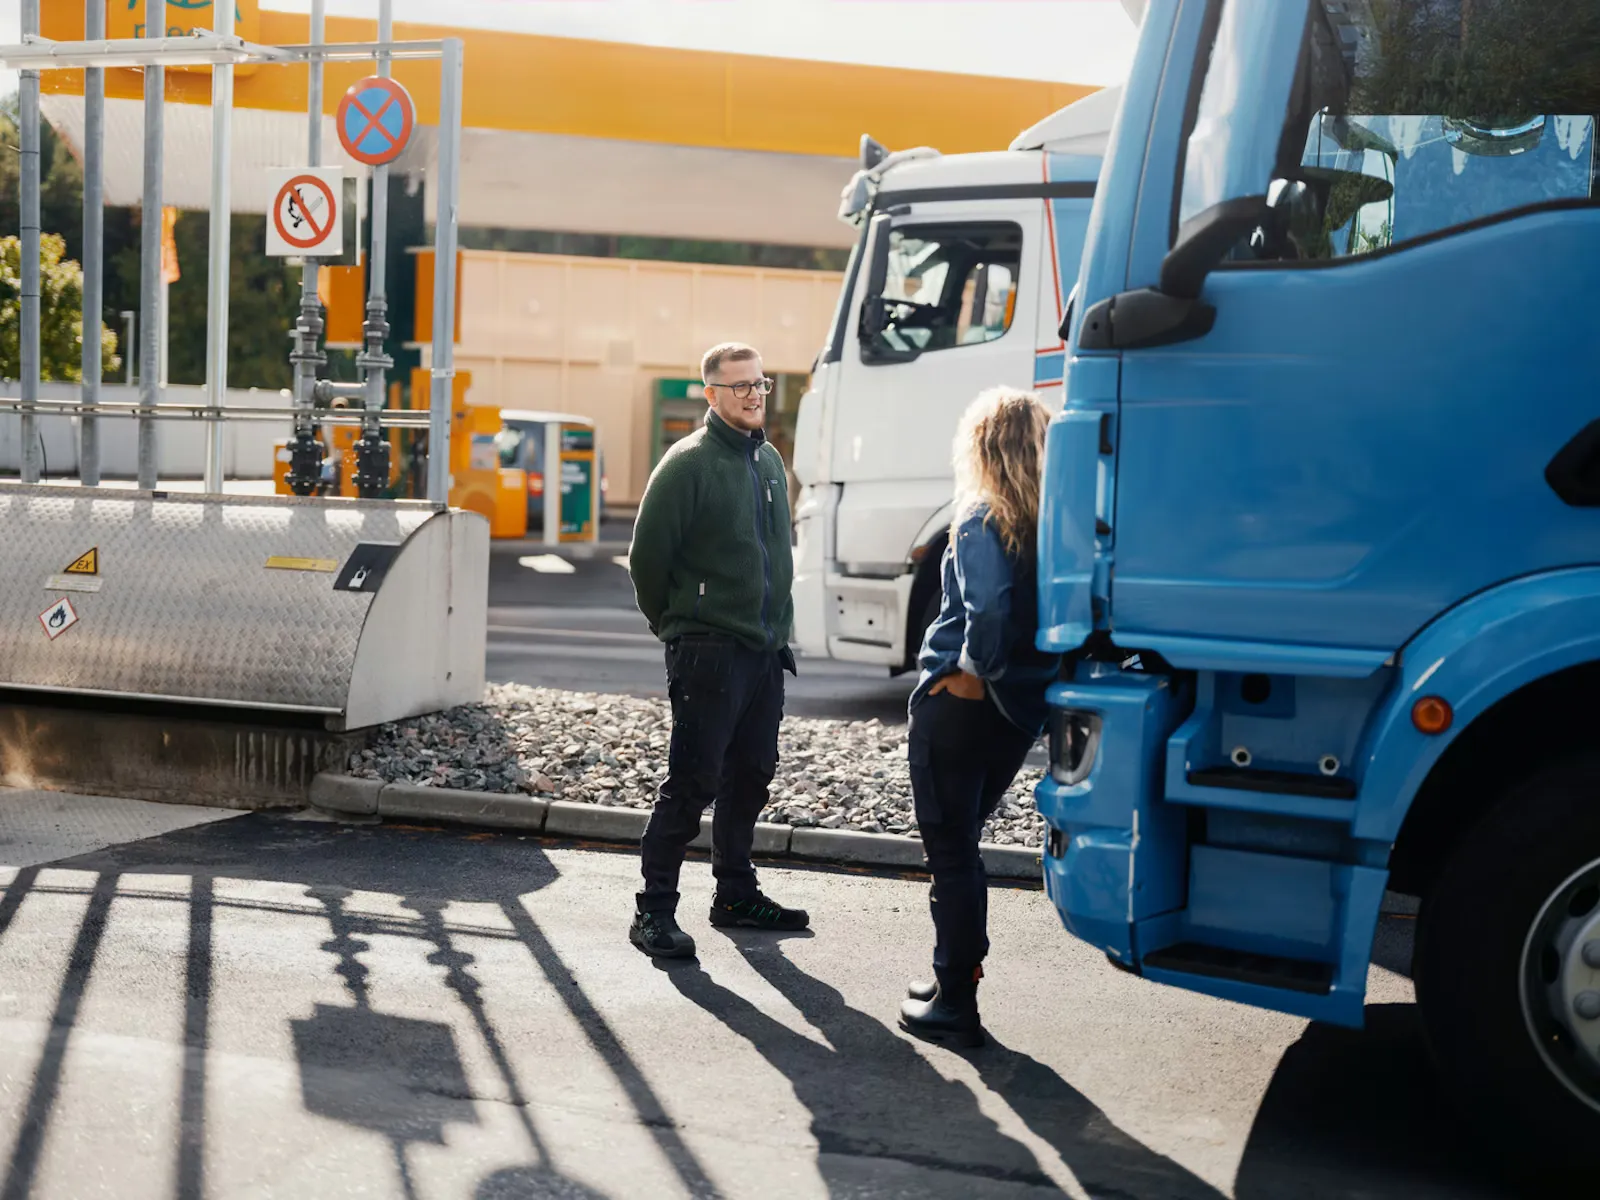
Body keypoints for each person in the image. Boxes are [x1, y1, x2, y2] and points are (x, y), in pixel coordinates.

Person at [626, 342, 807, 959]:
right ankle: (652, 912)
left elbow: (775, 558)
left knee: (752, 775)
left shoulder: (770, 463)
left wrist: (777, 631)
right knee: (693, 780)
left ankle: (734, 893)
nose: (754, 395)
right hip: (707, 651)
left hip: (763, 652)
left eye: (761, 384)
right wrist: (680, 628)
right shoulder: (687, 465)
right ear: (711, 395)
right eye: (740, 387)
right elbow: (648, 562)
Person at [898, 387, 1061, 1046]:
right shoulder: (1055, 520)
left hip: (964, 710)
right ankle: (947, 979)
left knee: (953, 853)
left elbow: (988, 612)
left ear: (982, 446)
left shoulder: (980, 515)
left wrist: (972, 676)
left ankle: (956, 1004)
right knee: (962, 846)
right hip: (1018, 716)